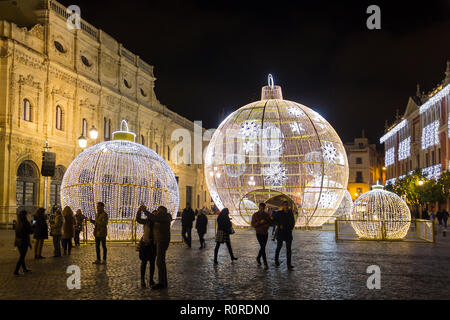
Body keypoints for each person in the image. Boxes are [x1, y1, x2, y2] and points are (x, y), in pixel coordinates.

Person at [148, 205, 172, 290]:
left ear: (161, 211)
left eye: (158, 210)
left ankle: (162, 283)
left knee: (160, 262)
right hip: (161, 240)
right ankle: (163, 282)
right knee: (160, 262)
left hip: (162, 241)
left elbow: (154, 218)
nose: (157, 211)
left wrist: (145, 211)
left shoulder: (164, 216)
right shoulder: (164, 217)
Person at [136, 206, 156, 288]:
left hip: (152, 245)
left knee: (152, 263)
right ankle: (142, 280)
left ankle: (151, 279)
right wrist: (139, 211)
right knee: (144, 263)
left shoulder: (157, 222)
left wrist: (145, 211)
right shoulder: (147, 221)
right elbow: (138, 219)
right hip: (145, 244)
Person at [272, 201, 295, 270]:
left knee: (289, 249)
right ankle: (276, 260)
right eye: (285, 205)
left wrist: (291, 227)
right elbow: (274, 220)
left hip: (288, 232)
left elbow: (293, 222)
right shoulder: (279, 213)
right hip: (281, 232)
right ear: (283, 206)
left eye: (287, 205)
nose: (286, 206)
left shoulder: (290, 213)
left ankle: (289, 264)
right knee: (279, 247)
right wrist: (279, 225)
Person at [251, 203, 272, 269]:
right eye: (261, 207)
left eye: (263, 207)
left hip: (265, 233)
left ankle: (258, 257)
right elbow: (253, 224)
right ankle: (265, 264)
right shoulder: (255, 215)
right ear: (259, 207)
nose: (262, 208)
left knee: (263, 247)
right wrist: (260, 222)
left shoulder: (266, 215)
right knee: (263, 247)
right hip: (259, 233)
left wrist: (267, 225)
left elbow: (270, 222)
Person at [13, 210, 33, 275]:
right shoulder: (26, 223)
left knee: (22, 256)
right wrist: (32, 225)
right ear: (25, 215)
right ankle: (16, 271)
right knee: (22, 257)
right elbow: (30, 232)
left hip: (18, 241)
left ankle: (24, 268)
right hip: (24, 241)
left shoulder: (17, 222)